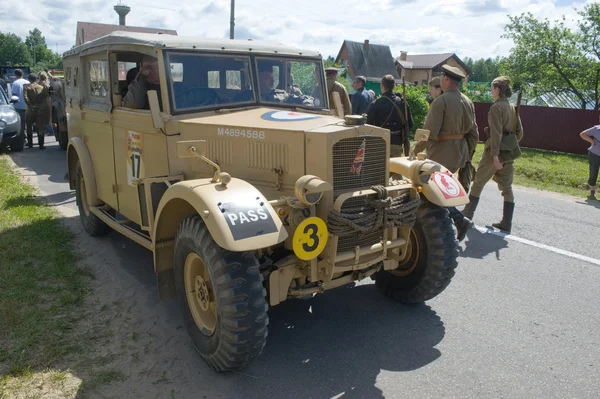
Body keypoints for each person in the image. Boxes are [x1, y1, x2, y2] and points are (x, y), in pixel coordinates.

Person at [415, 65, 479, 241]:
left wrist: (415, 149)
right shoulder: (468, 101)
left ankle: (457, 220)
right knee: (439, 189)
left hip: (443, 151)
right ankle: (450, 224)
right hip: (461, 151)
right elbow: (475, 133)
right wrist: (468, 154)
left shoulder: (441, 102)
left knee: (427, 188)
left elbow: (429, 133)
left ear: (446, 80)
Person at [461, 76, 523, 233]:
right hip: (508, 152)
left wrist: (495, 156)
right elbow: (519, 133)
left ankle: (466, 216)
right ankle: (506, 223)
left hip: (494, 153)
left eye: (492, 88)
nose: (490, 91)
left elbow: (496, 134)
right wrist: (510, 144)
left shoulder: (497, 108)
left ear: (499, 90)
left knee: (478, 182)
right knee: (506, 187)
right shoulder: (512, 107)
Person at [367, 74, 413, 157]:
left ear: (382, 86)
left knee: (380, 169)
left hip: (379, 143)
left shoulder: (376, 104)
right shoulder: (403, 103)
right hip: (396, 143)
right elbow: (410, 124)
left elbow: (368, 124)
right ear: (394, 86)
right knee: (394, 169)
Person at [24, 73, 50, 149]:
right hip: (40, 108)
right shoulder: (41, 87)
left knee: (29, 126)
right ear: (36, 79)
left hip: (31, 109)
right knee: (40, 126)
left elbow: (25, 97)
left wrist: (31, 105)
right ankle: (41, 145)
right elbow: (46, 96)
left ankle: (30, 144)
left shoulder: (26, 87)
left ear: (29, 79)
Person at [578, 114, 600, 199]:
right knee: (593, 172)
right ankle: (592, 191)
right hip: (594, 154)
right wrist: (592, 141)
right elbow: (582, 134)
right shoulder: (596, 129)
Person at [11, 69, 29, 145]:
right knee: (29, 123)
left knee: (21, 124)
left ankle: (23, 140)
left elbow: (14, 95)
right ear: (22, 74)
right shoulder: (27, 82)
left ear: (15, 75)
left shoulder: (15, 83)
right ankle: (29, 139)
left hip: (19, 106)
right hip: (28, 105)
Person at [39, 71, 54, 136]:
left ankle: (45, 130)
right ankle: (50, 130)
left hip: (40, 101)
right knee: (48, 116)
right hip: (47, 100)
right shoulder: (47, 85)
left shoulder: (38, 84)